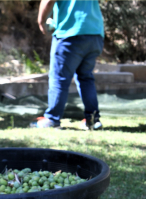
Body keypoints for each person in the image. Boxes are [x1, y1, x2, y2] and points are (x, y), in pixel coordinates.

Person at [31, 0, 104, 130]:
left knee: (59, 78)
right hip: (95, 34)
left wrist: (41, 20)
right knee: (85, 78)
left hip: (70, 33)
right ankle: (92, 120)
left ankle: (52, 119)